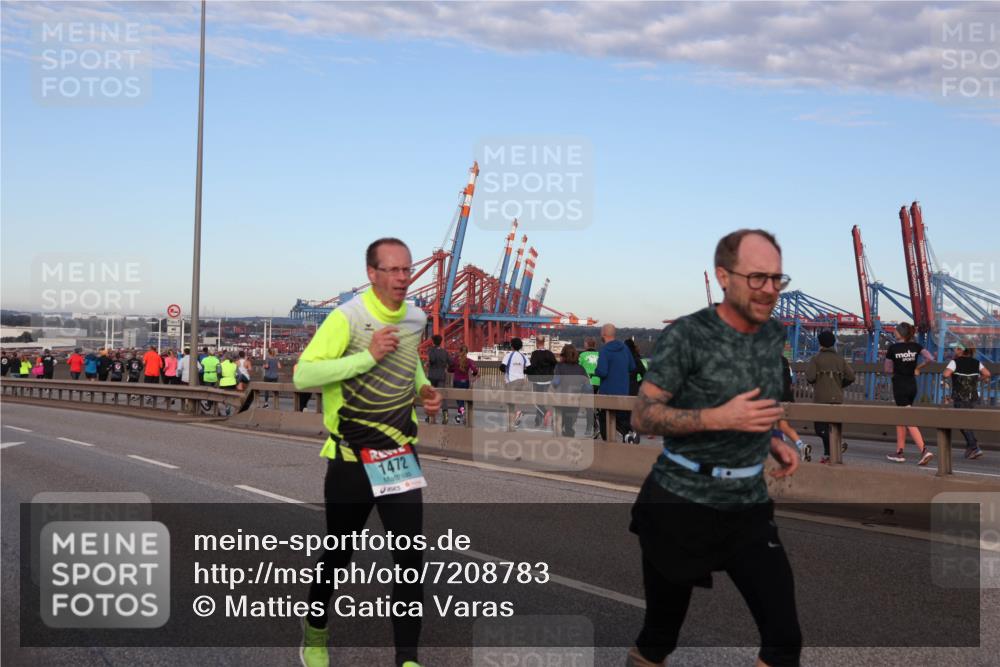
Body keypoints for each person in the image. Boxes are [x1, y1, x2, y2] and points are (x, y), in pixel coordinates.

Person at [628, 229, 801, 667]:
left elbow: (754, 400)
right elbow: (643, 415)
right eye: (757, 277)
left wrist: (771, 441)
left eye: (777, 279)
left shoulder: (771, 334)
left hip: (748, 508)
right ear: (724, 276)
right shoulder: (688, 335)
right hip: (680, 505)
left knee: (784, 642)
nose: (768, 290)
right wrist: (718, 418)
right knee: (659, 638)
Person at [294, 237, 441, 667]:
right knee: (338, 555)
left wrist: (424, 389)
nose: (402, 277)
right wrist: (365, 358)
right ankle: (316, 633)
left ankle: (408, 659)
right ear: (372, 274)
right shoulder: (348, 317)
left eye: (407, 269)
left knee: (410, 560)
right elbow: (305, 373)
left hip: (397, 454)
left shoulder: (416, 317)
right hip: (349, 458)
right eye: (392, 270)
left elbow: (409, 359)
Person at [884, 322, 935, 465]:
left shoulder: (893, 348)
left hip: (900, 385)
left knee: (907, 419)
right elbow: (930, 358)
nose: (894, 332)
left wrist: (898, 366)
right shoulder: (916, 346)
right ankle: (899, 452)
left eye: (896, 330)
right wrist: (917, 367)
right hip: (912, 385)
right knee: (901, 418)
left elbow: (887, 369)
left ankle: (924, 450)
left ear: (900, 333)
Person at [805, 331, 856, 464]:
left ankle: (836, 448)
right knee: (834, 427)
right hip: (837, 398)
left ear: (820, 343)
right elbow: (851, 376)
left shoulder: (816, 359)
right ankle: (828, 455)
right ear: (833, 343)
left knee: (820, 429)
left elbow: (810, 377)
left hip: (821, 398)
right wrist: (840, 385)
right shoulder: (840, 359)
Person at [944, 344, 990, 460]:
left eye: (956, 348)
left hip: (960, 396)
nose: (954, 350)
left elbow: (946, 374)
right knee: (965, 422)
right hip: (972, 397)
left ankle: (974, 447)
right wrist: (977, 379)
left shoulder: (955, 362)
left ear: (960, 350)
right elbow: (987, 374)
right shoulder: (976, 362)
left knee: (961, 422)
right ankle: (971, 448)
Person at [595, 323, 637, 443]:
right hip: (623, 391)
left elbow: (602, 372)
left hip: (608, 392)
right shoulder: (625, 348)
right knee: (621, 418)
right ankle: (627, 434)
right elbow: (632, 367)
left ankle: (610, 449)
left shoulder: (604, 351)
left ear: (603, 334)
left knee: (605, 421)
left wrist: (596, 371)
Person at [775, 356, 809, 461]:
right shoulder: (784, 360)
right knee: (782, 425)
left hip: (773, 396)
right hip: (786, 396)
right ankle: (800, 446)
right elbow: (790, 379)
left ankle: (784, 450)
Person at [552, 344, 590, 437]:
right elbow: (587, 387)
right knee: (569, 426)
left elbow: (556, 383)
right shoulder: (581, 369)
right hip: (574, 402)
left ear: (563, 355)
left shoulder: (560, 367)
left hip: (561, 400)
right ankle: (568, 442)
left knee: (557, 426)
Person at [526, 336, 557, 427]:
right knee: (543, 400)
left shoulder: (535, 354)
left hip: (538, 381)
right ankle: (538, 420)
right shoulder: (550, 354)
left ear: (536, 342)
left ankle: (544, 413)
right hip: (548, 381)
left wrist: (528, 375)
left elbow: (532, 367)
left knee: (537, 401)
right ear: (544, 342)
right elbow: (555, 364)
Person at [500, 337, 530, 427]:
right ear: (520, 346)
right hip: (521, 380)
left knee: (510, 401)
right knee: (516, 399)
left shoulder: (508, 355)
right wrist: (521, 371)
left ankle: (516, 416)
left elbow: (502, 367)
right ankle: (516, 418)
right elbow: (529, 369)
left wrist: (508, 370)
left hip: (511, 381)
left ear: (511, 346)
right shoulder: (523, 356)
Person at [448, 344, 478, 424]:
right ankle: (460, 415)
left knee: (459, 400)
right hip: (466, 382)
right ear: (467, 352)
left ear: (459, 351)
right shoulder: (469, 361)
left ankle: (461, 414)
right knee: (463, 400)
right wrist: (474, 375)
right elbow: (475, 370)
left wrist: (454, 370)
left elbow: (450, 369)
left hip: (457, 381)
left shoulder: (455, 360)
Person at [424, 334, 451, 424]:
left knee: (431, 396)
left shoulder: (431, 350)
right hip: (441, 376)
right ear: (440, 342)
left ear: (433, 342)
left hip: (432, 376)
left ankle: (430, 416)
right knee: (441, 395)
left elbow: (432, 360)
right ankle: (445, 414)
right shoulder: (444, 352)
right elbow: (450, 362)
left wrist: (427, 364)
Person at [578, 338, 601, 436]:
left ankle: (591, 428)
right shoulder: (600, 355)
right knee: (598, 406)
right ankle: (601, 424)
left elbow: (578, 369)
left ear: (587, 345)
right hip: (599, 382)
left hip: (587, 383)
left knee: (588, 407)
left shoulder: (582, 355)